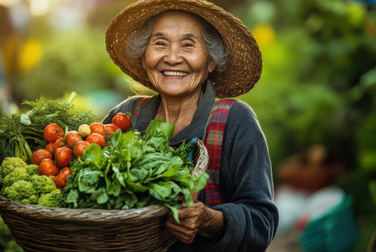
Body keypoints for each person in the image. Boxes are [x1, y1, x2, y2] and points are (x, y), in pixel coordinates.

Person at [102, 0, 279, 251]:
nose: (172, 58)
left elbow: (263, 222)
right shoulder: (127, 115)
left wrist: (208, 220)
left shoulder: (234, 121)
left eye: (188, 45)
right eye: (160, 43)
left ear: (210, 61)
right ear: (144, 57)